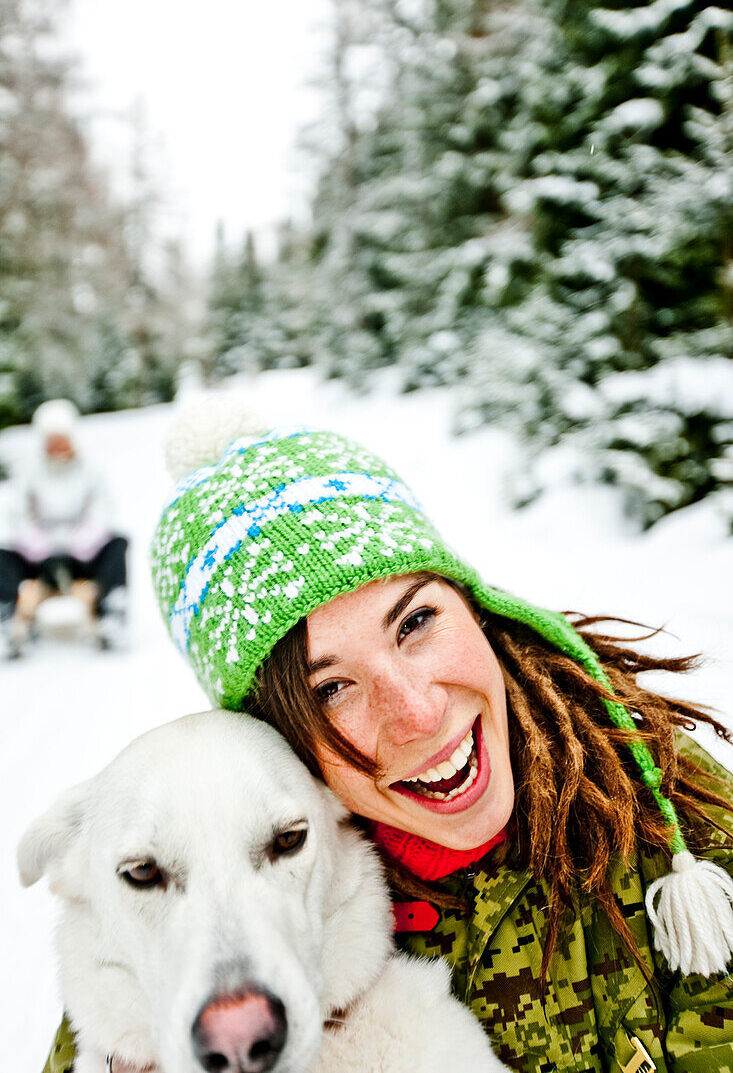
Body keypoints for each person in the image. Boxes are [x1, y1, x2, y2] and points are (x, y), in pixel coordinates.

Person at [44, 421, 733, 1072]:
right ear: (278, 735)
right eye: (331, 688)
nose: (419, 712)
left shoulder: (662, 811)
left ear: (477, 606)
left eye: (417, 621)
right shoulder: (188, 966)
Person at [0, 399, 128, 658]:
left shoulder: (91, 471)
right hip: (39, 556)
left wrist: (78, 545)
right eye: (52, 440)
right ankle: (9, 617)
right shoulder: (30, 472)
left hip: (82, 554)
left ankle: (110, 612)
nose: (58, 446)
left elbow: (102, 512)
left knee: (118, 543)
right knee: (2, 556)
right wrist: (41, 549)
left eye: (62, 438)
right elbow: (18, 516)